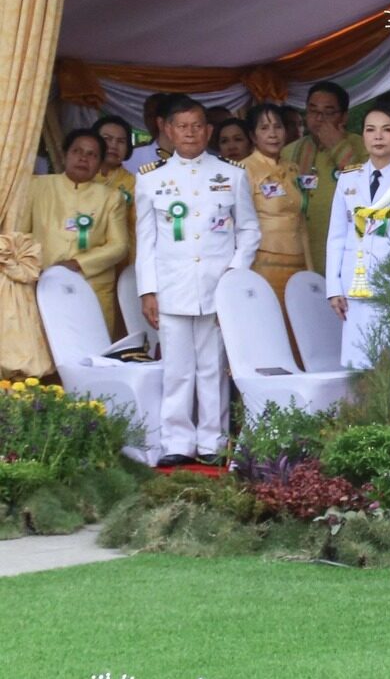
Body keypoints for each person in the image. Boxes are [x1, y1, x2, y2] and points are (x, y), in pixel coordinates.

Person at [133, 95, 258, 466]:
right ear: (167, 130)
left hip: (217, 286)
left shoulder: (232, 175)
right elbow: (146, 240)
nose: (189, 133)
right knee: (176, 368)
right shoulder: (151, 180)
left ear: (208, 130)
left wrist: (235, 274)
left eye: (197, 126)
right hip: (172, 286)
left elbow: (249, 230)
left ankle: (212, 441)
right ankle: (175, 441)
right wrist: (148, 290)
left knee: (213, 367)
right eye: (181, 126)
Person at [324, 104, 390, 370]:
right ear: (362, 135)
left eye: (387, 130)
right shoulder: (348, 178)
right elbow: (337, 235)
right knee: (358, 364)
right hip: (355, 285)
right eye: (370, 130)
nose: (378, 136)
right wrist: (334, 288)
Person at [26, 130, 130, 334]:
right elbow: (19, 235)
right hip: (42, 283)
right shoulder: (37, 186)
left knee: (91, 353)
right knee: (44, 352)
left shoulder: (111, 197)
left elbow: (119, 246)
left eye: (92, 155)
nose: (83, 158)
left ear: (100, 164)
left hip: (91, 285)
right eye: (77, 151)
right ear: (65, 154)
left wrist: (76, 264)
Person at [282, 81, 366, 281]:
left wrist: (337, 146)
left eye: (328, 112)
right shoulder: (290, 151)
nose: (319, 119)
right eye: (313, 111)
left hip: (346, 250)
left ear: (344, 116)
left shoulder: (361, 146)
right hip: (301, 251)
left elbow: (362, 188)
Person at [240, 104, 312, 320]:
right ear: (253, 135)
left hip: (298, 262)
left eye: (277, 127)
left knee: (301, 328)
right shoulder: (243, 170)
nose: (273, 134)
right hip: (264, 264)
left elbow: (301, 222)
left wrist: (309, 267)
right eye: (264, 128)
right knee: (270, 324)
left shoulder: (293, 169)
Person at [124, 93, 171, 174]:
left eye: (157, 115)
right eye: (149, 115)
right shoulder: (132, 157)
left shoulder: (192, 154)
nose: (153, 120)